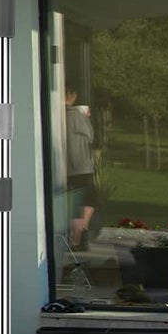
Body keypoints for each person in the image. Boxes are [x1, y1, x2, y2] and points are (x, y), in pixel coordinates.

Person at [64, 87, 97, 246]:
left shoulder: (67, 116)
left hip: (73, 167)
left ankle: (79, 235)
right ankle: (78, 237)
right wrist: (84, 117)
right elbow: (90, 135)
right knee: (84, 200)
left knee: (81, 201)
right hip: (79, 167)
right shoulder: (74, 116)